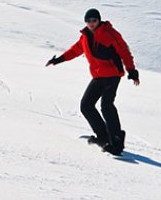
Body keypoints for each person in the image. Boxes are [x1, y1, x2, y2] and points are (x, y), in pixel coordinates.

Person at [46, 8, 139, 156]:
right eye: (88, 21)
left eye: (94, 20)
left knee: (106, 105)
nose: (91, 23)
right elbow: (75, 50)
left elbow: (124, 52)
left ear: (99, 20)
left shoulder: (110, 34)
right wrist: (58, 60)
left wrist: (132, 71)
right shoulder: (85, 37)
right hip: (98, 76)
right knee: (86, 105)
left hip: (112, 75)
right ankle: (103, 138)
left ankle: (116, 141)